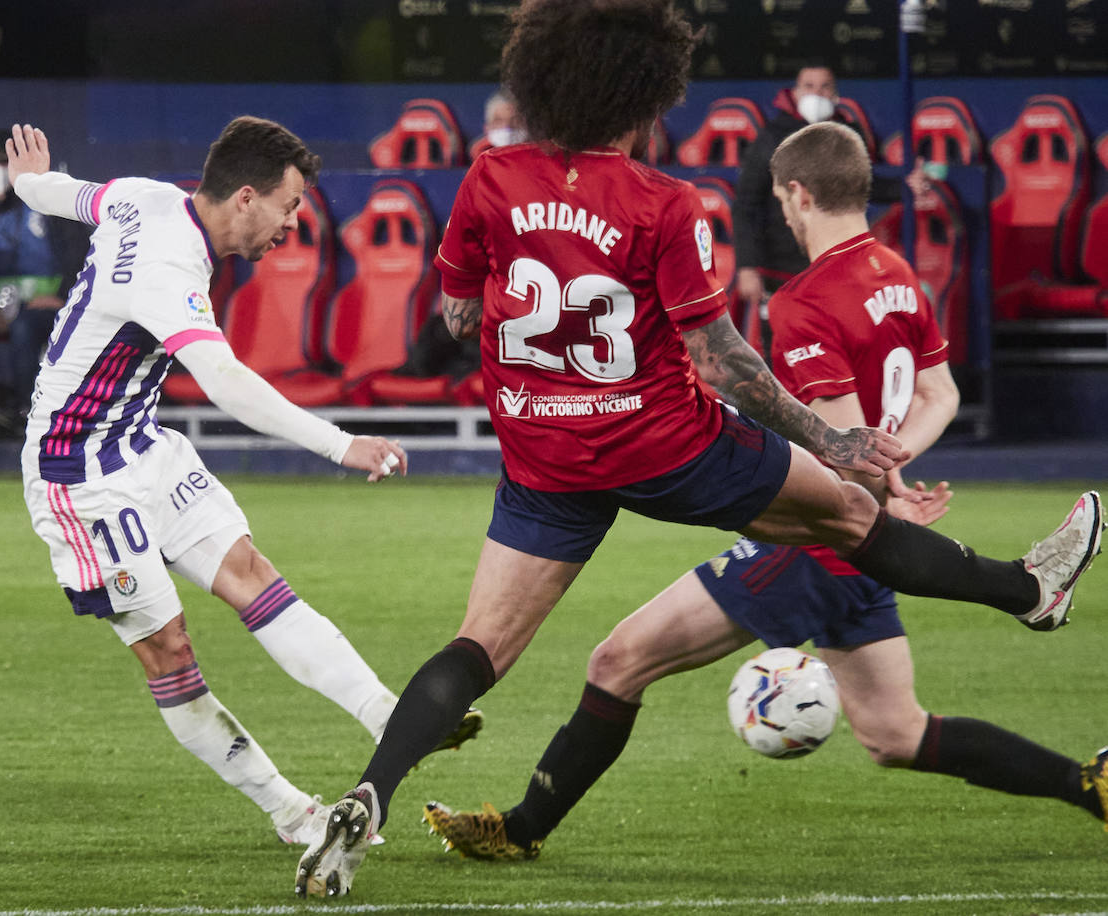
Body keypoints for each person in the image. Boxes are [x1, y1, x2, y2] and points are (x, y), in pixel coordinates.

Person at [293, 0, 1101, 898]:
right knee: (850, 516)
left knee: (477, 647)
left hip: (543, 454)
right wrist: (831, 438)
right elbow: (722, 361)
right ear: (644, 96)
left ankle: (373, 789)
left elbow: (455, 313)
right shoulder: (664, 202)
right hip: (667, 443)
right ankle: (1031, 591)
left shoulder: (489, 179)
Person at [421, 122, 1108, 862]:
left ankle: (519, 832)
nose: (780, 213)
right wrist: (897, 478)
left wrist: (877, 489)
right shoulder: (895, 272)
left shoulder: (805, 301)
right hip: (870, 532)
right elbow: (933, 393)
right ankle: (1091, 783)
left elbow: (838, 443)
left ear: (797, 194)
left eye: (781, 199)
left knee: (618, 663)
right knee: (893, 732)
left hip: (823, 540)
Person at [3, 118, 481, 846]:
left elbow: (73, 196)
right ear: (248, 198)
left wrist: (30, 183)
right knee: (170, 651)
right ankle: (291, 811)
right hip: (81, 478)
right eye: (291, 207)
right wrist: (339, 443)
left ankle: (393, 718)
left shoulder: (145, 197)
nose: (295, 224)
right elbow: (224, 381)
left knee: (253, 575)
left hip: (142, 444)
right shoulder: (165, 266)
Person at [732, 62, 922, 360]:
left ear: (836, 94)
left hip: (835, 262)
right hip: (781, 267)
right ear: (795, 92)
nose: (816, 93)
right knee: (785, 350)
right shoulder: (772, 136)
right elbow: (746, 203)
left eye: (824, 87)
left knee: (836, 347)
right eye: (809, 86)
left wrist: (905, 188)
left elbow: (861, 185)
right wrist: (747, 266)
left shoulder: (847, 134)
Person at [0, 128, 76, 435]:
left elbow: (77, 252)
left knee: (25, 327)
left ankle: (27, 410)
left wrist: (64, 297)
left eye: (1, 162)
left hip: (48, 306)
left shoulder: (43, 205)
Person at [467, 88, 525, 160]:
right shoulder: (479, 155)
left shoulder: (540, 154)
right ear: (487, 128)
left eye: (515, 120)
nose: (507, 126)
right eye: (498, 121)